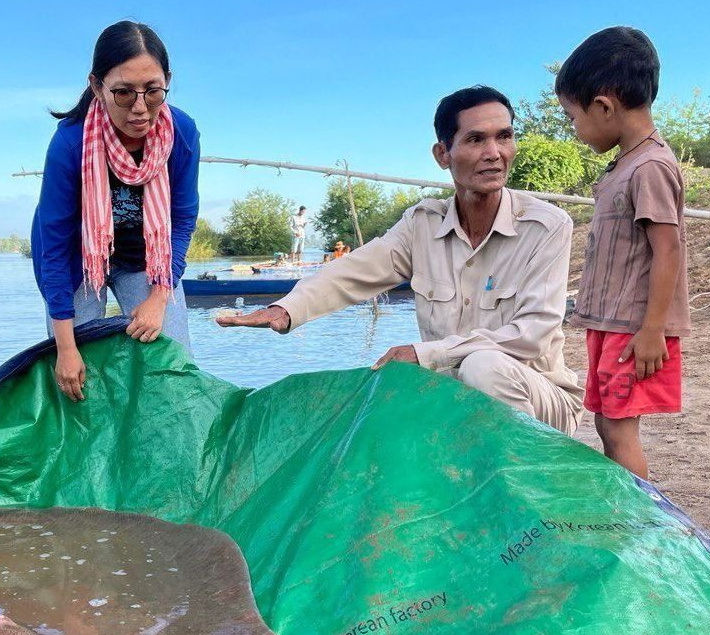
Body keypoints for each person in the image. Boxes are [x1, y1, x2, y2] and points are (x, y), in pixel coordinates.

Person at [218, 86, 583, 434]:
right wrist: (287, 309)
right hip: (452, 397)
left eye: (504, 136)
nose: (495, 152)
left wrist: (425, 353)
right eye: (475, 139)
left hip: (542, 401)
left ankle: (512, 488)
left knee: (483, 366)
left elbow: (531, 336)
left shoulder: (546, 226)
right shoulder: (421, 225)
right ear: (443, 155)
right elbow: (351, 272)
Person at [31, 21, 200, 402]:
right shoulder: (71, 143)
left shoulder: (183, 133)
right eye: (123, 93)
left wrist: (159, 298)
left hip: (147, 258)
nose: (140, 109)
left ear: (167, 81)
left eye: (153, 91)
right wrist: (66, 348)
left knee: (174, 365)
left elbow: (183, 218)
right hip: (79, 259)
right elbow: (53, 248)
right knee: (79, 379)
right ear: (97, 86)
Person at [556, 27, 689, 478]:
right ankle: (628, 509)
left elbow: (668, 252)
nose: (574, 130)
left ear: (604, 105)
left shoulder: (650, 167)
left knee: (618, 428)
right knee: (605, 420)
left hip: (632, 328)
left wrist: (653, 331)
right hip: (610, 322)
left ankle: (640, 522)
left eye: (572, 118)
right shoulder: (625, 165)